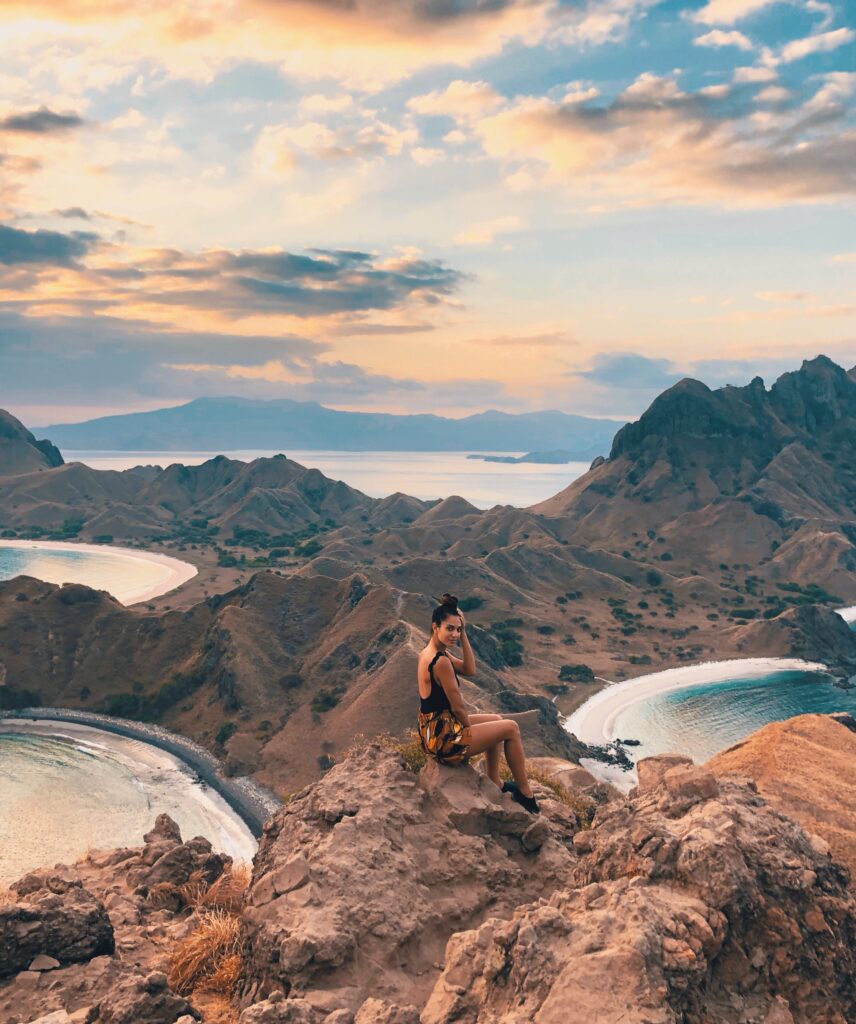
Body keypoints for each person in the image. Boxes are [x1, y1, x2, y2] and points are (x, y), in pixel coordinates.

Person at [417, 593, 539, 814]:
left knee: (497, 720)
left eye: (458, 629)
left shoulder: (431, 652)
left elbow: (469, 670)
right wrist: (468, 733)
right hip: (442, 739)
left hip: (433, 730)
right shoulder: (441, 662)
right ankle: (526, 794)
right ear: (435, 627)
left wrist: (464, 636)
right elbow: (458, 707)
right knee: (511, 728)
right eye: (450, 629)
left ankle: (495, 782)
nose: (454, 634)